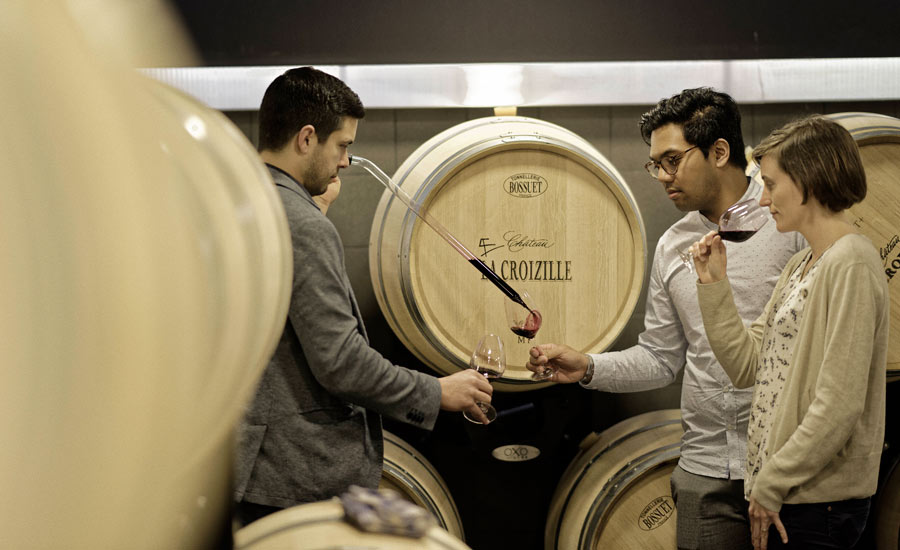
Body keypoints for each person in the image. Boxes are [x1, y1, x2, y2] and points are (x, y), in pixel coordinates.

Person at [526, 88, 806, 550]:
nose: (661, 175)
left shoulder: (787, 226)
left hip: (788, 472)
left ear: (719, 152)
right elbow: (660, 357)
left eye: (672, 160)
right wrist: (589, 367)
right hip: (705, 470)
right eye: (654, 163)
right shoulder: (673, 246)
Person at [233, 67, 493, 526]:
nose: (347, 162)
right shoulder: (304, 225)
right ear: (307, 138)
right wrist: (435, 391)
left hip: (251, 466)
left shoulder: (238, 202)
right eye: (343, 145)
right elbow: (340, 362)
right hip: (298, 473)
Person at [690, 115, 888, 549]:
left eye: (772, 184)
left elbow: (840, 402)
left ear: (809, 181)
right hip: (793, 496)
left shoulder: (851, 262)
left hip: (820, 502)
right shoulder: (804, 264)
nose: (763, 200)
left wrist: (773, 482)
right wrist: (714, 284)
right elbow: (748, 366)